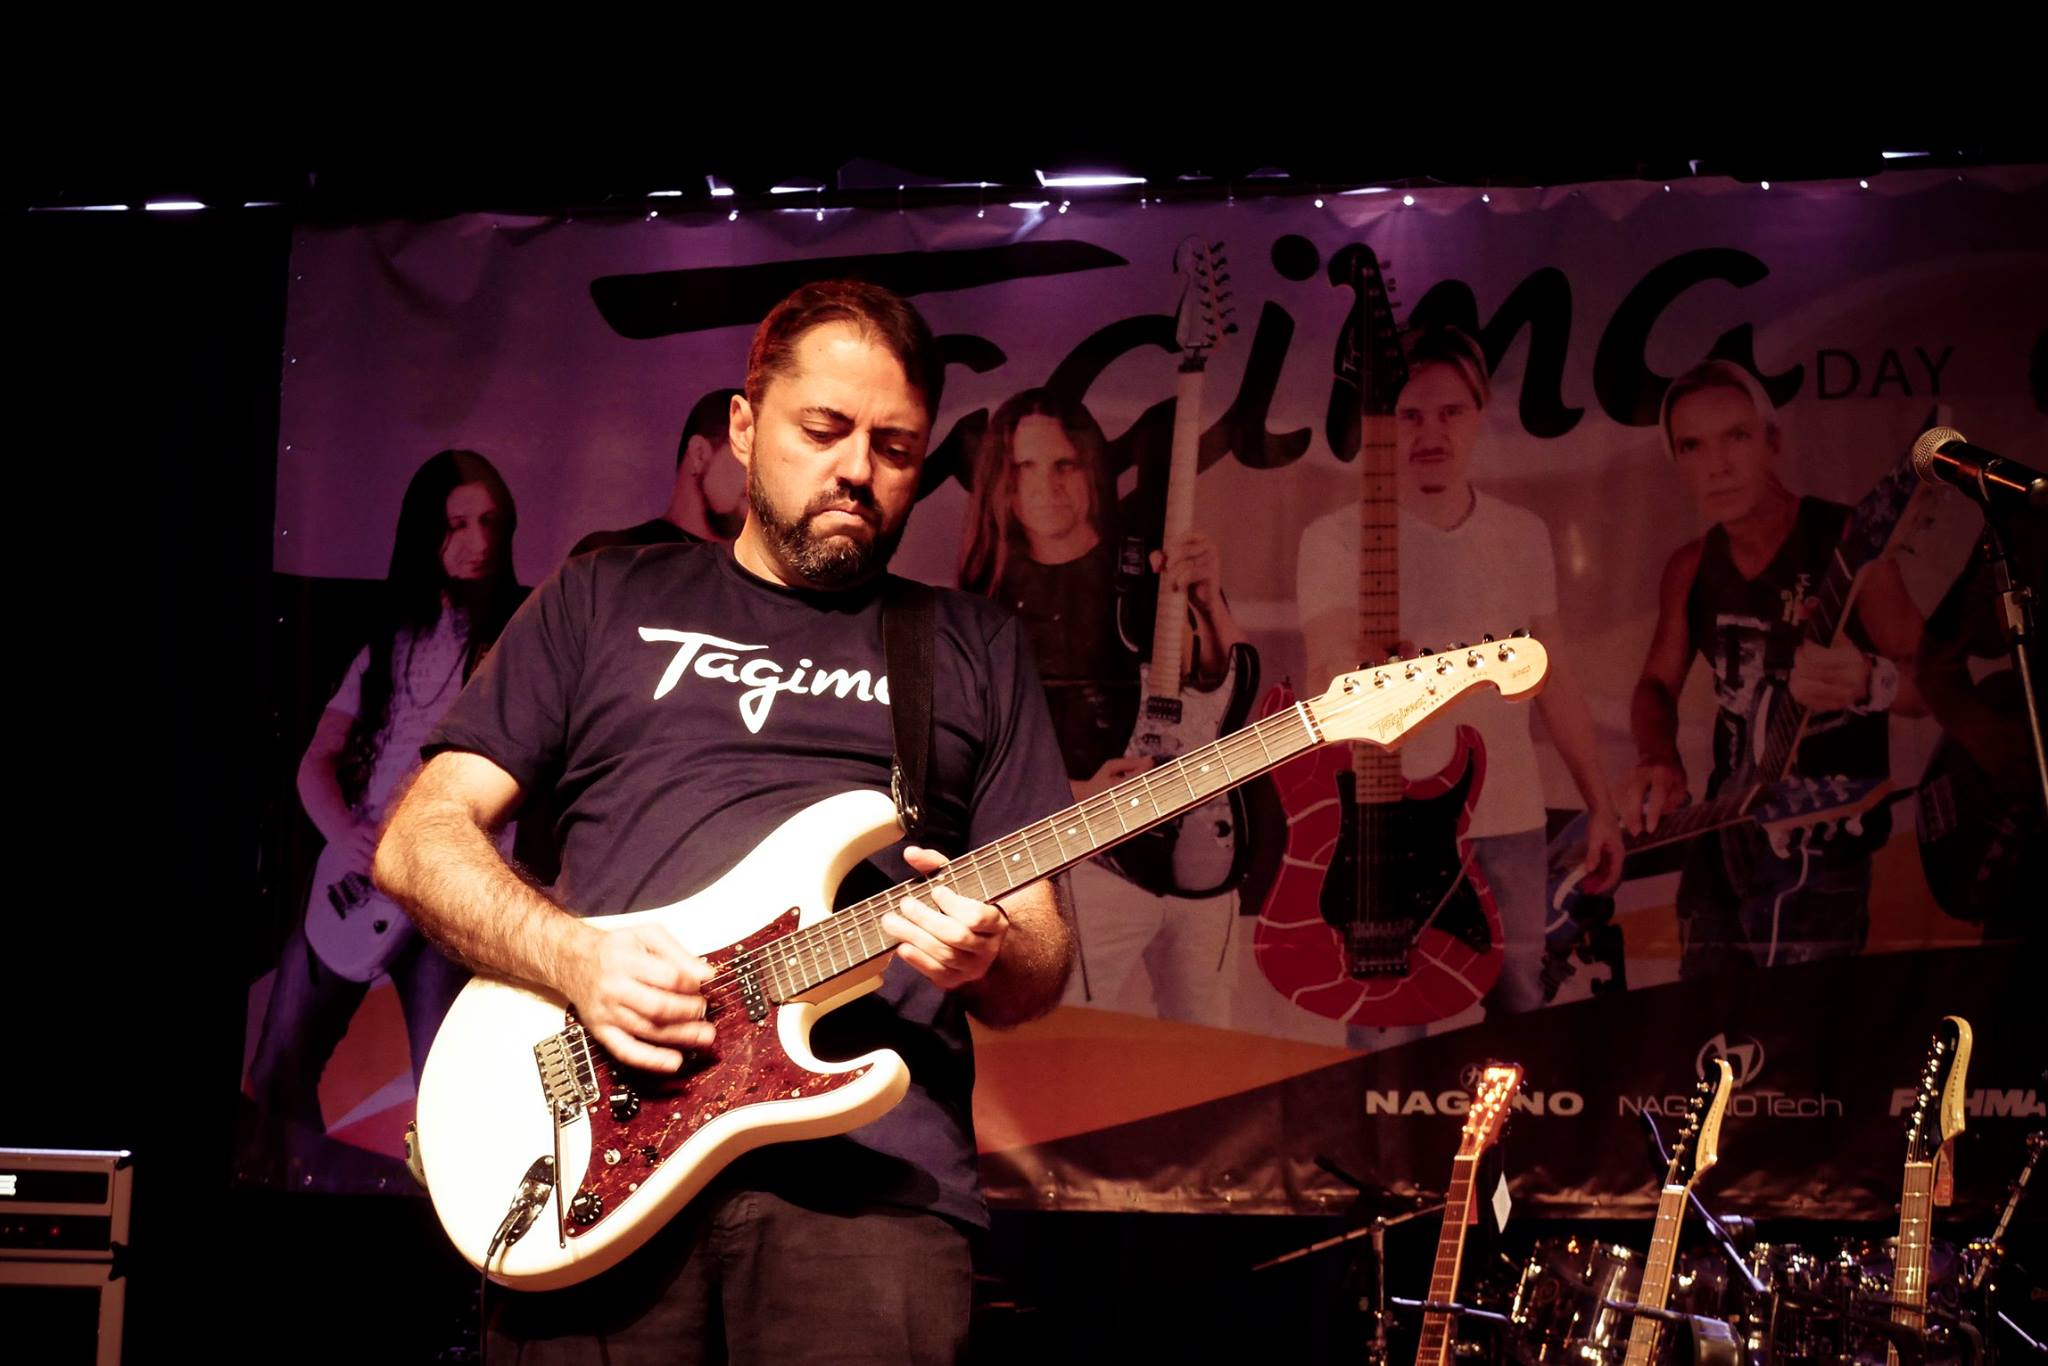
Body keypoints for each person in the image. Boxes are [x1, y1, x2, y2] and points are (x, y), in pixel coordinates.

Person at [374, 281, 1075, 1362]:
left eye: (894, 446)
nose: (857, 469)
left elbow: (1037, 958)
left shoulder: (971, 646)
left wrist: (989, 952)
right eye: (824, 430)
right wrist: (574, 958)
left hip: (871, 1192)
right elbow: (420, 838)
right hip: (599, 1153)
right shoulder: (602, 596)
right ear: (743, 429)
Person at [1296, 326, 1621, 1043]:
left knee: (1521, 1027)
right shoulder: (1336, 538)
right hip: (1387, 829)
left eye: (1450, 412)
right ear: (1383, 425)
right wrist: (1363, 670)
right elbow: (1325, 666)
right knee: (1387, 1040)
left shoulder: (1521, 534)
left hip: (1509, 823)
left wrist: (1600, 805)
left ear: (1478, 415)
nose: (1430, 433)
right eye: (1409, 414)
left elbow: (1554, 676)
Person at [249, 449, 523, 1154]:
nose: (479, 541)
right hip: (359, 881)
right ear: (426, 536)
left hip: (450, 896)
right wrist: (345, 835)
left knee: (448, 1099)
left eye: (490, 522)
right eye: (457, 524)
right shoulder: (387, 643)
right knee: (276, 1071)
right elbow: (317, 758)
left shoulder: (521, 638)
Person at [1618, 359, 1922, 974]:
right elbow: (1655, 684)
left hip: (1823, 841)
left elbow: (1936, 683)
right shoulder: (1690, 567)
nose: (1718, 464)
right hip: (1726, 827)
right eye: (1693, 446)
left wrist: (1873, 681)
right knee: (1706, 1022)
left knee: (1796, 1027)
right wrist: (1658, 755)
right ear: (1678, 463)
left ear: (1773, 441)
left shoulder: (1849, 541)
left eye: (1736, 436)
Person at [959, 387, 1248, 1023]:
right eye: (1025, 467)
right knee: (1076, 1043)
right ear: (1002, 481)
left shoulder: (1153, 566)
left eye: (1063, 464)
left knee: (1210, 1046)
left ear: (1090, 468)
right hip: (1084, 857)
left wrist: (1208, 599)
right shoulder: (983, 599)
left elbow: (1228, 689)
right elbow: (974, 760)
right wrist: (1079, 794)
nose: (1046, 486)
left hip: (1197, 843)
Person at [572, 386, 747, 554]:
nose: (758, 480)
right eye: (746, 453)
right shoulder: (610, 556)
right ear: (699, 454)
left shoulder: (753, 570)